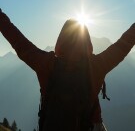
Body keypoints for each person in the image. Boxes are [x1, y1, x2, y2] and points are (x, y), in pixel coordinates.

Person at [0, 9, 135, 131]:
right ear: (87, 41)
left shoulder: (46, 63)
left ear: (60, 40)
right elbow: (123, 45)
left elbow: (19, 42)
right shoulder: (97, 66)